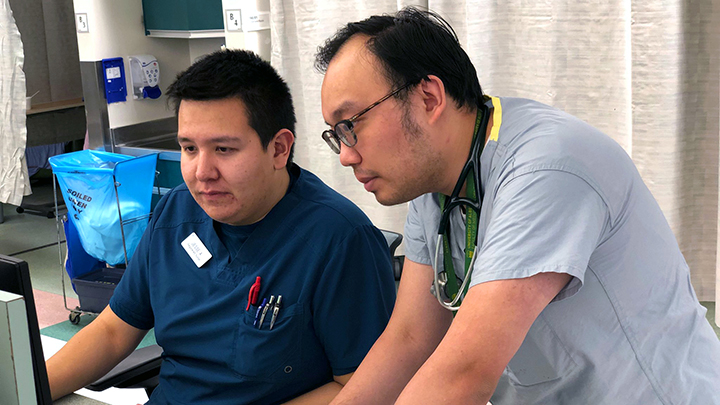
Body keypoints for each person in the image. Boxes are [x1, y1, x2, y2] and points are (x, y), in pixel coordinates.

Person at [316, 7, 720, 404]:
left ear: (428, 97)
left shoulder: (548, 167)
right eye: (336, 136)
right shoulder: (434, 190)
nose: (346, 156)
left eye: (351, 125)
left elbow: (464, 375)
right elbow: (409, 339)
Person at [47, 49, 397, 404]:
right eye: (189, 148)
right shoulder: (176, 213)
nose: (202, 173)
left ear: (278, 149)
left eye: (224, 150)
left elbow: (359, 388)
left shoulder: (339, 240)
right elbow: (111, 331)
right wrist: (27, 389)